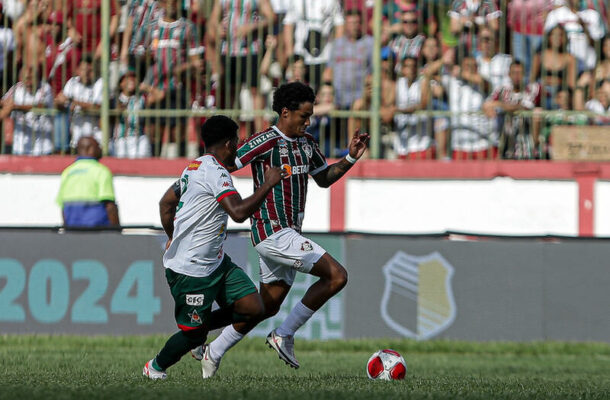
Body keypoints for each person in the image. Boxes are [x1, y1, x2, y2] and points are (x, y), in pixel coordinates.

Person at [191, 82, 369, 369]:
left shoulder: (307, 143)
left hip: (289, 233)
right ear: (285, 113)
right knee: (337, 276)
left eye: (310, 116)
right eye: (304, 116)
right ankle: (284, 334)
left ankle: (211, 348)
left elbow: (323, 179)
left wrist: (349, 158)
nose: (308, 121)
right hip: (271, 230)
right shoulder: (264, 141)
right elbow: (223, 162)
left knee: (265, 306)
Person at [142, 115, 287, 380]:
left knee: (254, 308)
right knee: (193, 335)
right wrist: (267, 184)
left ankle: (199, 329)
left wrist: (172, 236)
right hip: (191, 270)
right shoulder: (216, 172)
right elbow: (239, 212)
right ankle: (155, 367)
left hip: (217, 262)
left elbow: (165, 203)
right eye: (238, 140)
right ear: (230, 143)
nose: (239, 144)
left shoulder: (195, 166)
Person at [56, 136, 120, 228]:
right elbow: (109, 206)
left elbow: (63, 207)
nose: (101, 149)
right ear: (90, 149)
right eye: (98, 146)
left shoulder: (67, 172)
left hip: (73, 231)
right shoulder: (101, 171)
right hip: (97, 232)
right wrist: (116, 233)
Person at [0, 64, 54, 155]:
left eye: (32, 78)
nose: (29, 82)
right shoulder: (16, 88)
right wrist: (6, 105)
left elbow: (40, 105)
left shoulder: (45, 88)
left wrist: (15, 107)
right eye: (26, 78)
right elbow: (5, 102)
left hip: (43, 148)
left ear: (38, 78)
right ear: (21, 78)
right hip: (19, 147)